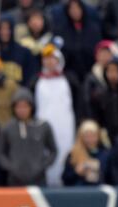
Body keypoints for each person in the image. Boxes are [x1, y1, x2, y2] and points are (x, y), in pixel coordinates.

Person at [30, 43, 80, 186]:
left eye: (52, 58)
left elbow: (78, 101)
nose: (49, 62)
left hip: (65, 125)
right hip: (43, 124)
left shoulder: (69, 79)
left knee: (65, 151)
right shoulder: (36, 80)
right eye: (46, 59)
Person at [0, 87, 57, 186]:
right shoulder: (7, 128)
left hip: (38, 179)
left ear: (31, 107)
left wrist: (41, 166)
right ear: (13, 108)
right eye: (18, 107)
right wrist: (11, 168)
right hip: (14, 180)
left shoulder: (43, 126)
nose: (22, 110)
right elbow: (0, 154)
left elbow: (53, 151)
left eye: (25, 106)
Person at [62, 120, 110, 186]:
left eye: (93, 136)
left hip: (100, 189)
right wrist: (76, 172)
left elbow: (111, 176)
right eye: (87, 136)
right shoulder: (74, 154)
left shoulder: (105, 154)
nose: (90, 140)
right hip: (80, 190)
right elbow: (65, 178)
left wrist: (99, 171)